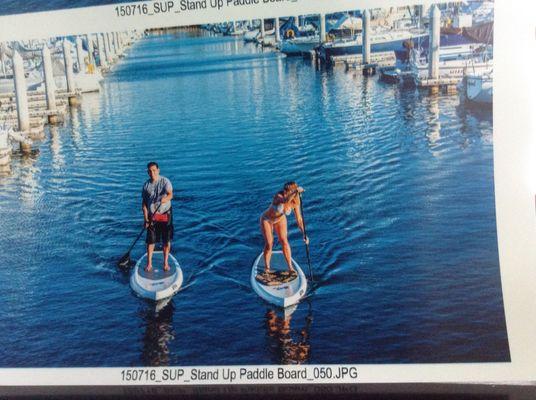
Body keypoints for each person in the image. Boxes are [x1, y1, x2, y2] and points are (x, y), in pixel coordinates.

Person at [259, 181, 309, 280]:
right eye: (285, 190)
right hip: (267, 219)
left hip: (280, 220)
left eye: (288, 191)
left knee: (284, 241)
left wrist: (304, 234)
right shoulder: (279, 196)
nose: (285, 192)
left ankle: (290, 268)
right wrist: (295, 192)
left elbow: (299, 219)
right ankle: (267, 269)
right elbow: (286, 200)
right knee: (269, 243)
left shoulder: (296, 201)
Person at [141, 162, 173, 272]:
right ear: (147, 172)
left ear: (158, 170)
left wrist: (166, 198)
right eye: (150, 171)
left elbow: (170, 194)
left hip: (165, 214)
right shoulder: (146, 186)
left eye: (154, 170)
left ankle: (165, 263)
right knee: (150, 240)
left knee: (166, 240)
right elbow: (144, 204)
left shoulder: (165, 181)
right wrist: (145, 219)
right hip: (152, 216)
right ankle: (149, 264)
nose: (152, 173)